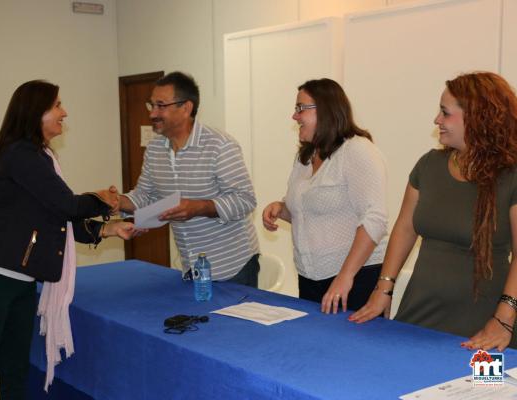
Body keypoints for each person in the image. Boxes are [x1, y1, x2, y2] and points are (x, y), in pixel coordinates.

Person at [0, 80, 138, 399]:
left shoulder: (39, 156)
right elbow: (66, 205)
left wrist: (108, 229)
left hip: (19, 282)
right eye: (57, 105)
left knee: (15, 371)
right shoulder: (20, 153)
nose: (65, 112)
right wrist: (102, 198)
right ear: (36, 112)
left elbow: (54, 219)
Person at [350, 72, 517, 351]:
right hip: (421, 311)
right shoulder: (428, 165)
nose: (436, 120)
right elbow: (405, 228)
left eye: (445, 113)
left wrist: (503, 319)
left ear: (477, 117)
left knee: (477, 392)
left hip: (485, 322)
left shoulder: (510, 176)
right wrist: (383, 289)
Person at [118, 71, 261, 286]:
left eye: (161, 105)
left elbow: (245, 200)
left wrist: (199, 207)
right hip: (191, 266)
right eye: (151, 105)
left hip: (233, 268)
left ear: (186, 108)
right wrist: (116, 202)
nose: (152, 113)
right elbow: (145, 195)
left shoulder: (220, 145)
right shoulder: (155, 148)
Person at [262, 78, 388, 313]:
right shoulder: (306, 157)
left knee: (349, 349)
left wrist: (345, 276)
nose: (294, 116)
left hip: (355, 278)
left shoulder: (357, 150)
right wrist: (281, 208)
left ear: (327, 109)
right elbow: (310, 211)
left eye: (301, 108)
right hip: (310, 278)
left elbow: (375, 219)